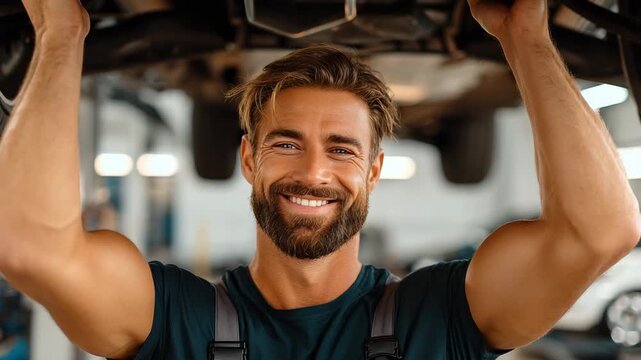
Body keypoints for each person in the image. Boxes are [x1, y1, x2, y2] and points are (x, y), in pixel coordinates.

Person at [0, 0, 639, 359]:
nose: (313, 171)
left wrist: (526, 36)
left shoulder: (438, 319)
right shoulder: (175, 320)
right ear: (249, 159)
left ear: (374, 170)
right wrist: (63, 35)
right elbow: (32, 248)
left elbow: (599, 232)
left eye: (341, 149)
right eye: (286, 144)